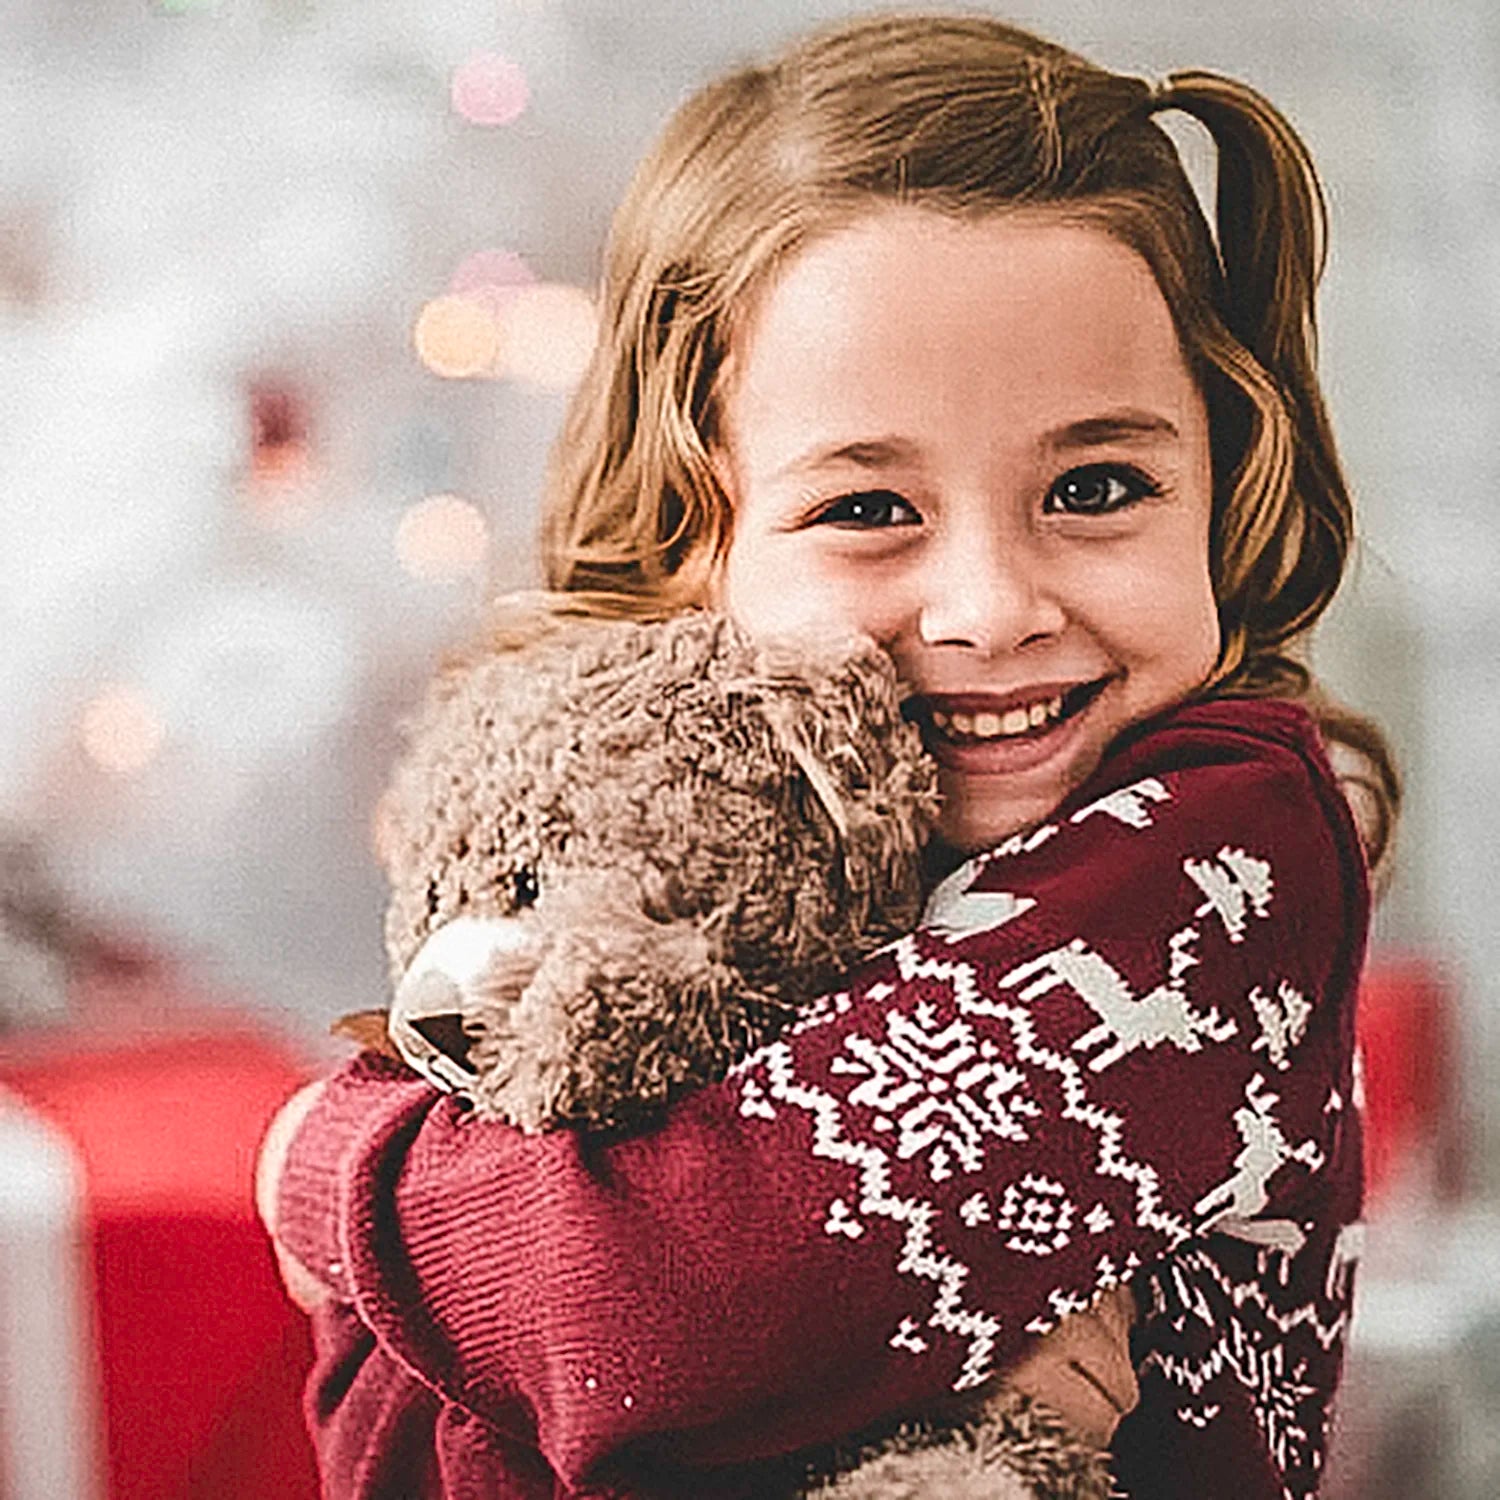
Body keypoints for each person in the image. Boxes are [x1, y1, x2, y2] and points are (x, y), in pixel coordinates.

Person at [257, 12, 1397, 1499]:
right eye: (869, 509)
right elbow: (404, 1419)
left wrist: (326, 1175)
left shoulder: (1224, 853)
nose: (992, 608)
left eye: (1097, 485)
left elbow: (669, 1310)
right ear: (694, 528)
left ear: (1226, 475)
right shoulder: (669, 802)